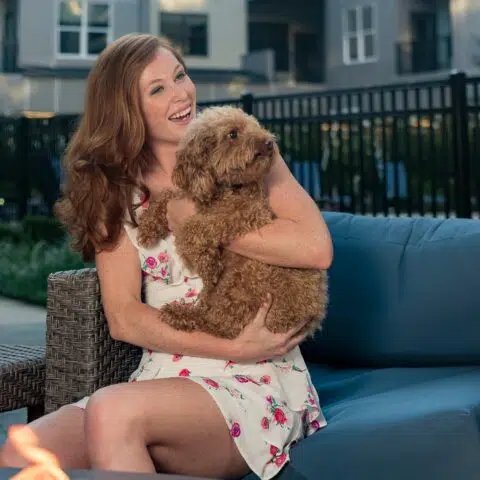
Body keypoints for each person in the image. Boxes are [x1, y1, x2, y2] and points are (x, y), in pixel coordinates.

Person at [0, 33, 333, 480]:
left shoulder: (246, 153)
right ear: (126, 111)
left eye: (180, 75)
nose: (181, 94)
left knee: (114, 411)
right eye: (157, 89)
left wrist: (196, 222)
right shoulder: (115, 191)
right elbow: (124, 317)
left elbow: (316, 249)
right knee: (17, 458)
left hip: (253, 380)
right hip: (162, 378)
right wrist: (230, 344)